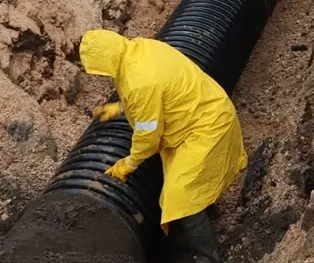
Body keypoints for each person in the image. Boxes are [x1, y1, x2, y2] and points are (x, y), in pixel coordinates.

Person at [81, 29, 246, 262]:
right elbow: (157, 92)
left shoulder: (139, 81)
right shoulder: (138, 50)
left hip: (207, 126)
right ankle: (201, 214)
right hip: (197, 114)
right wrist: (120, 108)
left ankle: (207, 256)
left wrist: (129, 163)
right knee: (187, 184)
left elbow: (148, 135)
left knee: (181, 193)